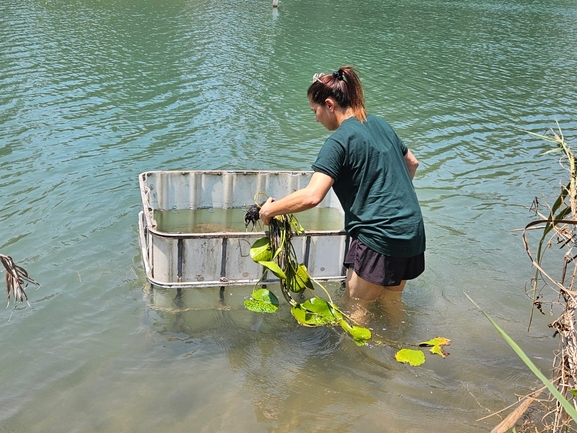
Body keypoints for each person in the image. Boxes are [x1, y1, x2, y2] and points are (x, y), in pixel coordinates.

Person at [259, 66, 425, 313]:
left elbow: (312, 196)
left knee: (356, 307)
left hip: (378, 236)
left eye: (314, 111)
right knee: (391, 302)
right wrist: (389, 195)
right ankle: (400, 346)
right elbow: (412, 162)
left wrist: (270, 211)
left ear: (329, 105)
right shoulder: (379, 124)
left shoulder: (338, 141)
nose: (315, 118)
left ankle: (357, 353)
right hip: (411, 230)